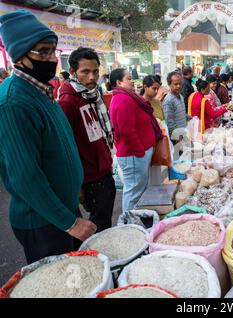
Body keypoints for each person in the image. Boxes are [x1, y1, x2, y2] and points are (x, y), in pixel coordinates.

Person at [0, 9, 96, 264]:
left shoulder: (42, 90)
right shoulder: (13, 102)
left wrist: (74, 188)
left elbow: (59, 148)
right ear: (19, 56)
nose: (51, 58)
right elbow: (25, 177)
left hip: (62, 209)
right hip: (43, 222)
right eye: (42, 51)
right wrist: (69, 223)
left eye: (53, 50)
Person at [58, 47, 116, 233]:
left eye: (95, 71)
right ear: (73, 73)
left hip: (103, 170)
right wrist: (78, 187)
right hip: (89, 177)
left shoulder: (93, 95)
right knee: (99, 226)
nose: (92, 77)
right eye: (85, 72)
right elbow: (66, 148)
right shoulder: (68, 102)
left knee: (105, 219)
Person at [109, 68, 162, 214]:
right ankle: (128, 222)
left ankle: (135, 218)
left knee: (137, 190)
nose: (132, 81)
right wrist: (140, 151)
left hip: (138, 154)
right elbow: (126, 131)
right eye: (128, 78)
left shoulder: (129, 97)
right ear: (119, 82)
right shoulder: (123, 99)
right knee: (133, 192)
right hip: (134, 154)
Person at [163, 71, 188, 143]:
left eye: (180, 84)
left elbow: (179, 113)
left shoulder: (180, 96)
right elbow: (169, 121)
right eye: (175, 84)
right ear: (169, 84)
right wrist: (176, 136)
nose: (178, 86)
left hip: (183, 133)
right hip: (177, 137)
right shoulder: (168, 100)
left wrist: (187, 116)